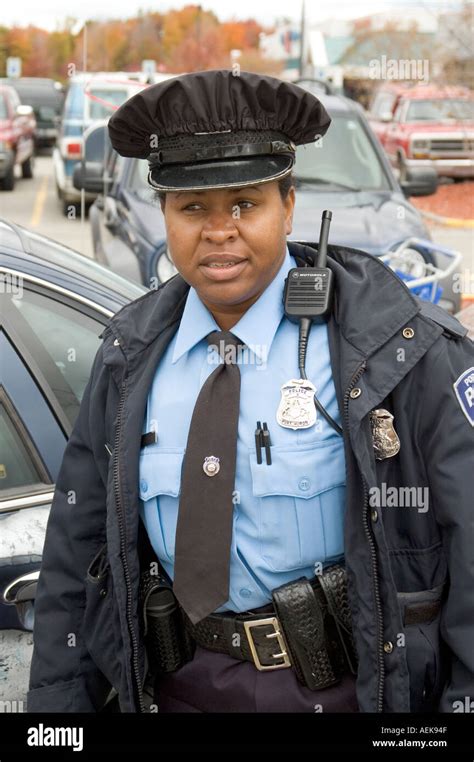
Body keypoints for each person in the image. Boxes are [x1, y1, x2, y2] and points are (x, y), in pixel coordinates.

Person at [27, 69, 474, 714]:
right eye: (193, 209)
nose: (219, 230)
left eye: (244, 203)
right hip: (177, 692)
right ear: (164, 214)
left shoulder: (399, 353)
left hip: (349, 696)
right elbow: (75, 558)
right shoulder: (128, 359)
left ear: (288, 206)